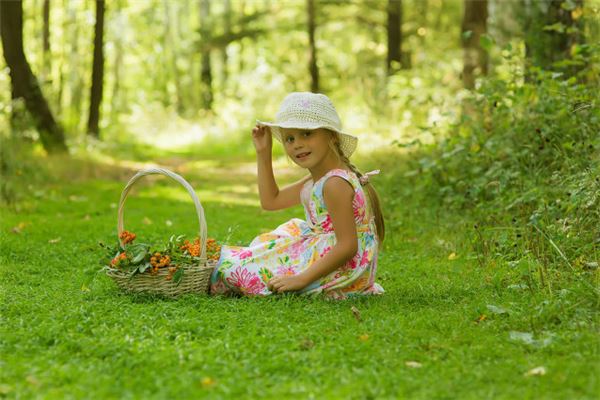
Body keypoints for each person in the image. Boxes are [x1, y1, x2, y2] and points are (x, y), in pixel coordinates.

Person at [210, 92, 385, 299]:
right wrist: (263, 153)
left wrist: (300, 279)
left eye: (306, 134)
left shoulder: (335, 184)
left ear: (331, 136)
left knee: (232, 270)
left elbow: (347, 246)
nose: (297, 144)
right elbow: (271, 201)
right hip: (324, 252)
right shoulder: (319, 180)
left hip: (342, 266)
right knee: (242, 260)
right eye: (290, 139)